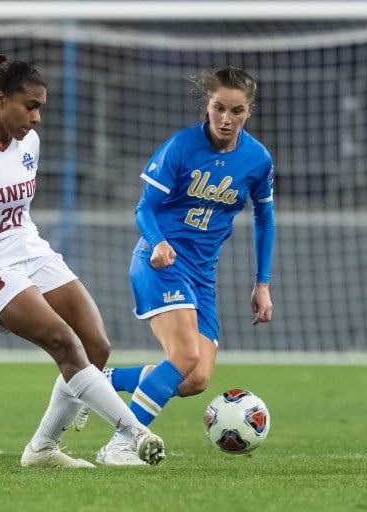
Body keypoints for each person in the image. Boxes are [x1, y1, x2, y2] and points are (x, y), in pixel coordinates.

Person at [0, 48, 165, 468]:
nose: (37, 117)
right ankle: (134, 432)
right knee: (64, 342)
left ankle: (42, 449)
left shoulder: (29, 143)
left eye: (41, 107)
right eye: (30, 106)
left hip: (31, 249)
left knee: (96, 345)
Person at [80, 66, 275, 447]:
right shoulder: (182, 147)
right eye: (219, 108)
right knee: (185, 355)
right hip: (159, 264)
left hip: (202, 275)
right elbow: (143, 208)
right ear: (208, 105)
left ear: (248, 112)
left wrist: (262, 283)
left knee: (195, 379)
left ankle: (94, 384)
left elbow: (265, 217)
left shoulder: (257, 159)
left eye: (236, 111)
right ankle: (122, 445)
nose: (226, 119)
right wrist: (157, 242)